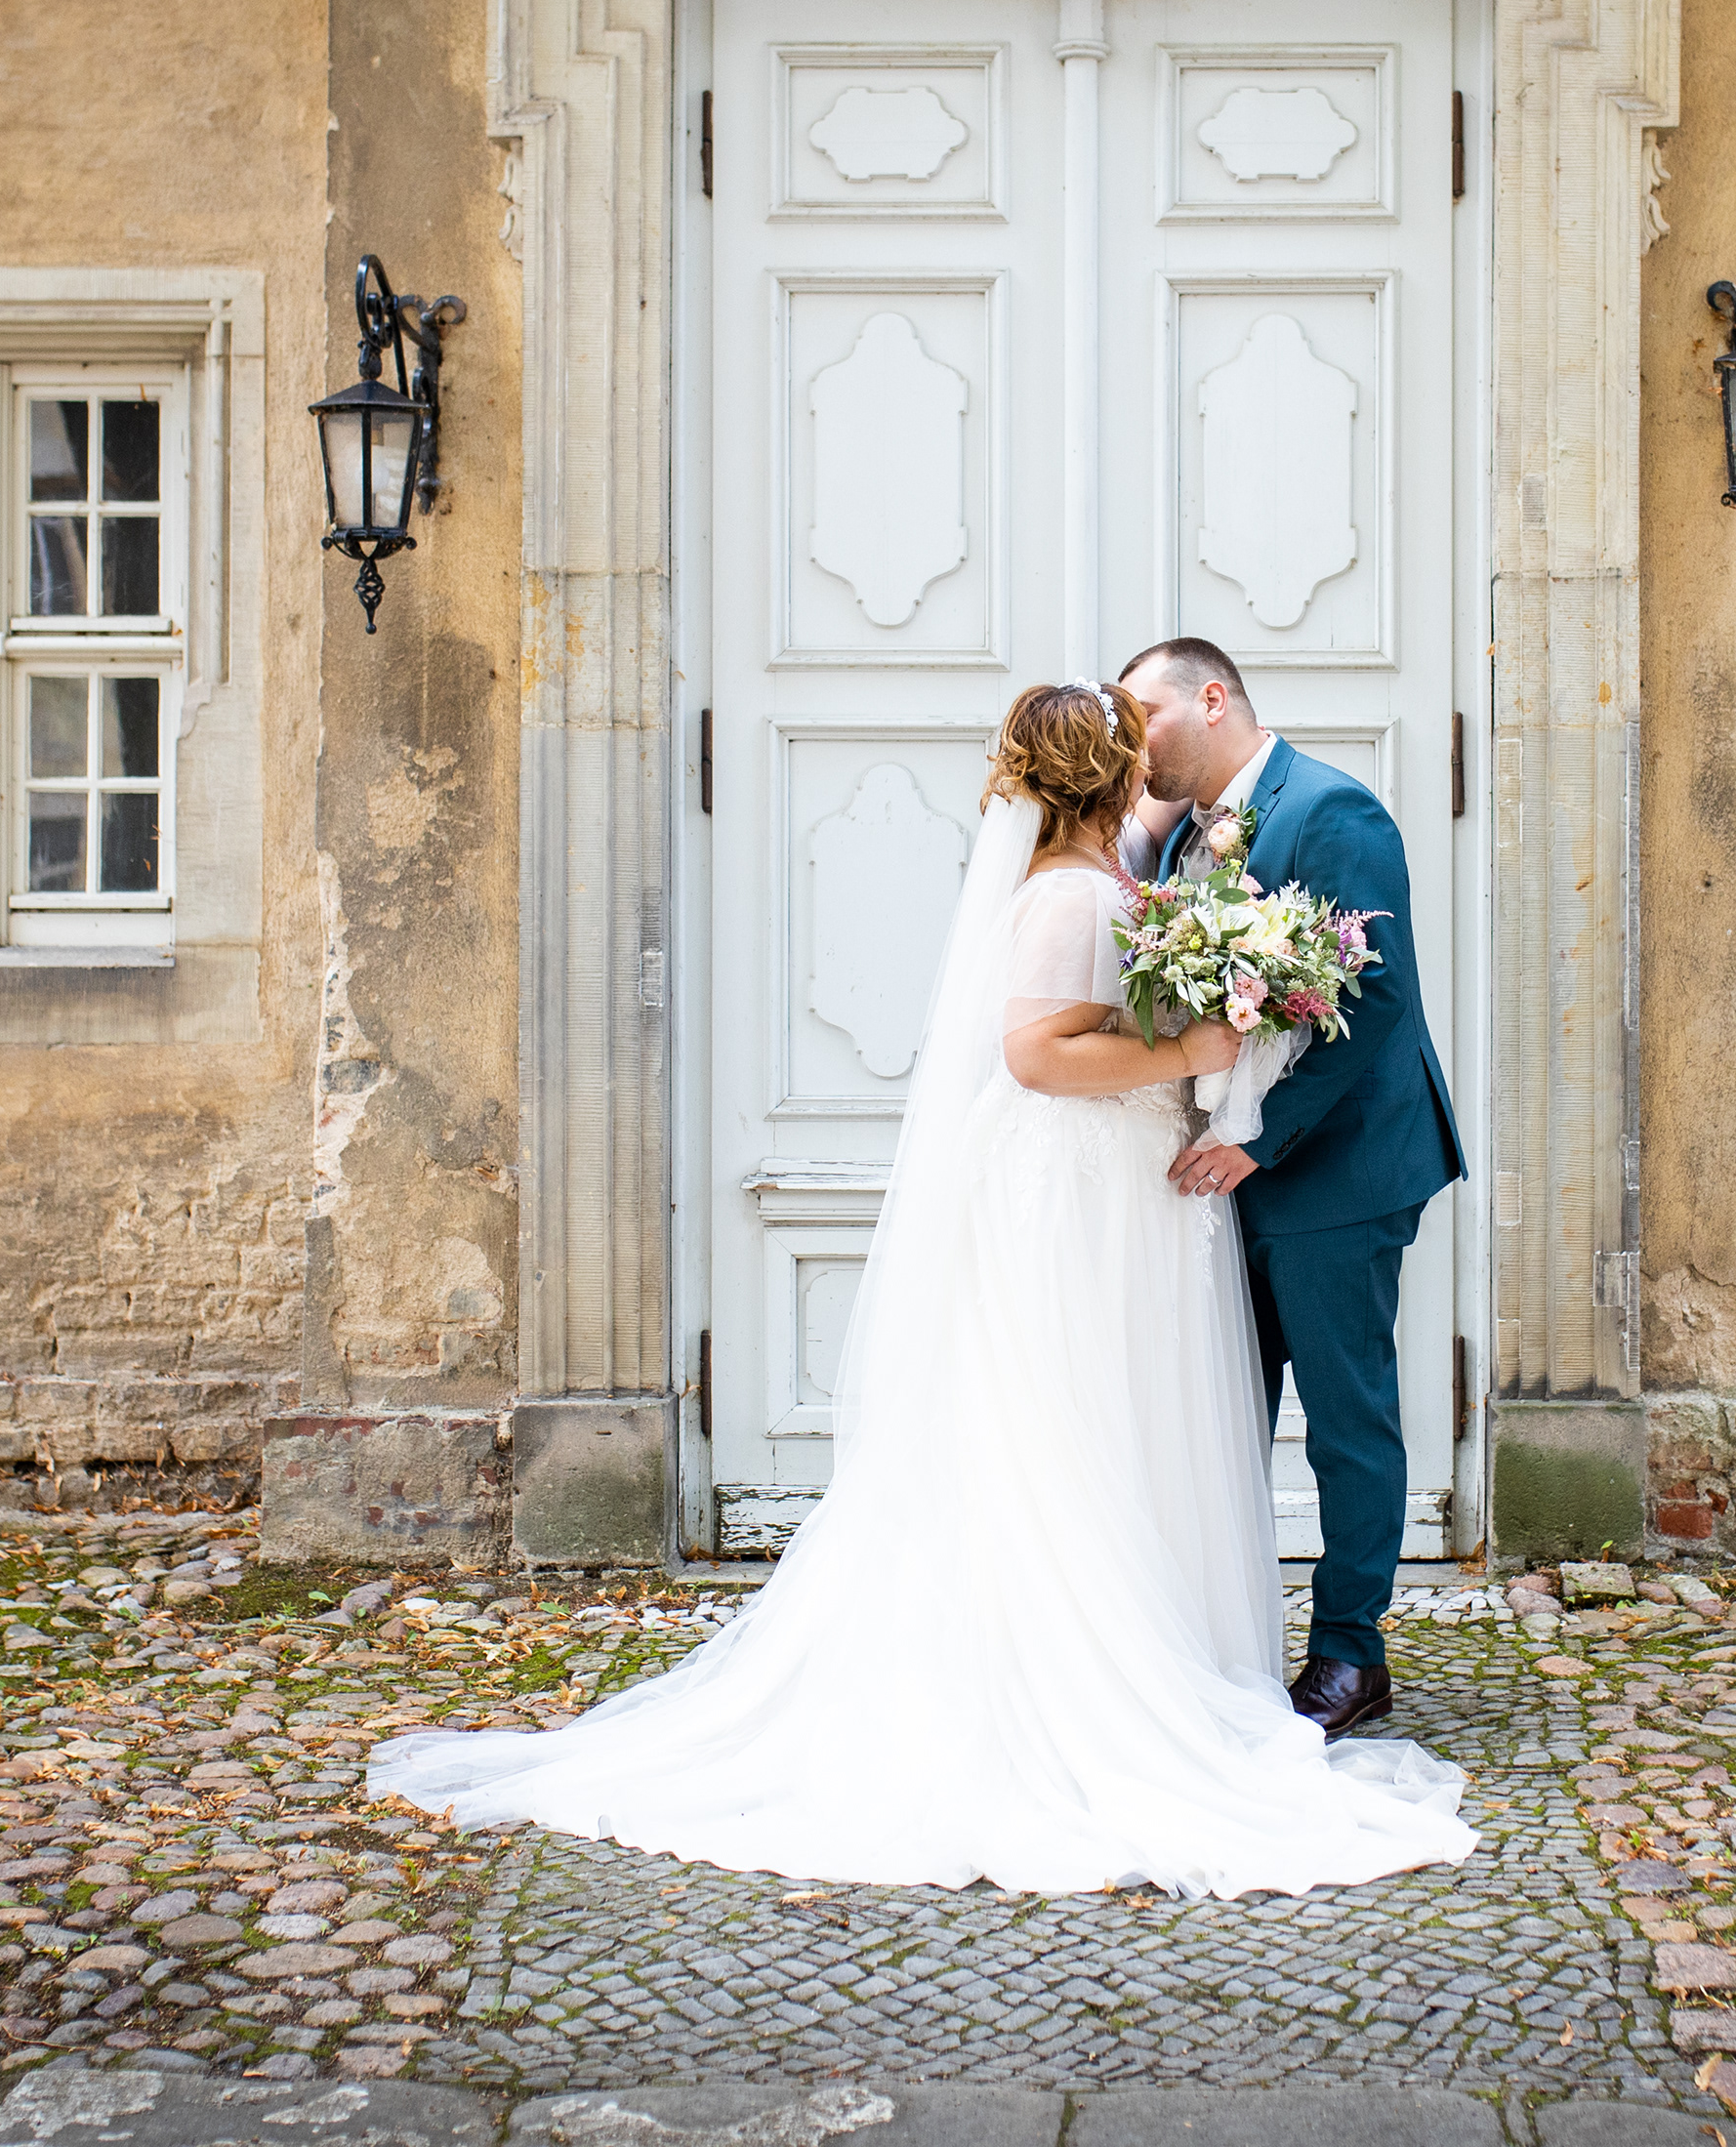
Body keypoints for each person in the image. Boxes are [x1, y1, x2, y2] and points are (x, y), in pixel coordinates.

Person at [366, 681, 1474, 1897]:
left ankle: (1309, 1652)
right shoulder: (1074, 892)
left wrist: (1230, 1082)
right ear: (1104, 778)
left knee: (1226, 1416)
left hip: (1239, 1180)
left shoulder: (1243, 835)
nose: (1149, 760)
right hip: (1099, 1182)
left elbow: (1365, 1004)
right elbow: (1036, 1050)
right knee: (1084, 1423)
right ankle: (1106, 1663)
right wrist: (1196, 1051)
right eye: (1129, 746)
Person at [1116, 639, 1467, 1742]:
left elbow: (1378, 1004)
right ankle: (1230, 1642)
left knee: (1345, 1421)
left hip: (1339, 1170)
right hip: (1227, 1178)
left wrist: (1259, 1145)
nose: (1135, 740)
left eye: (1147, 715)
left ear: (1211, 697)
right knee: (1224, 1414)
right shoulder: (1177, 834)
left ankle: (1350, 1658)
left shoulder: (1334, 810)